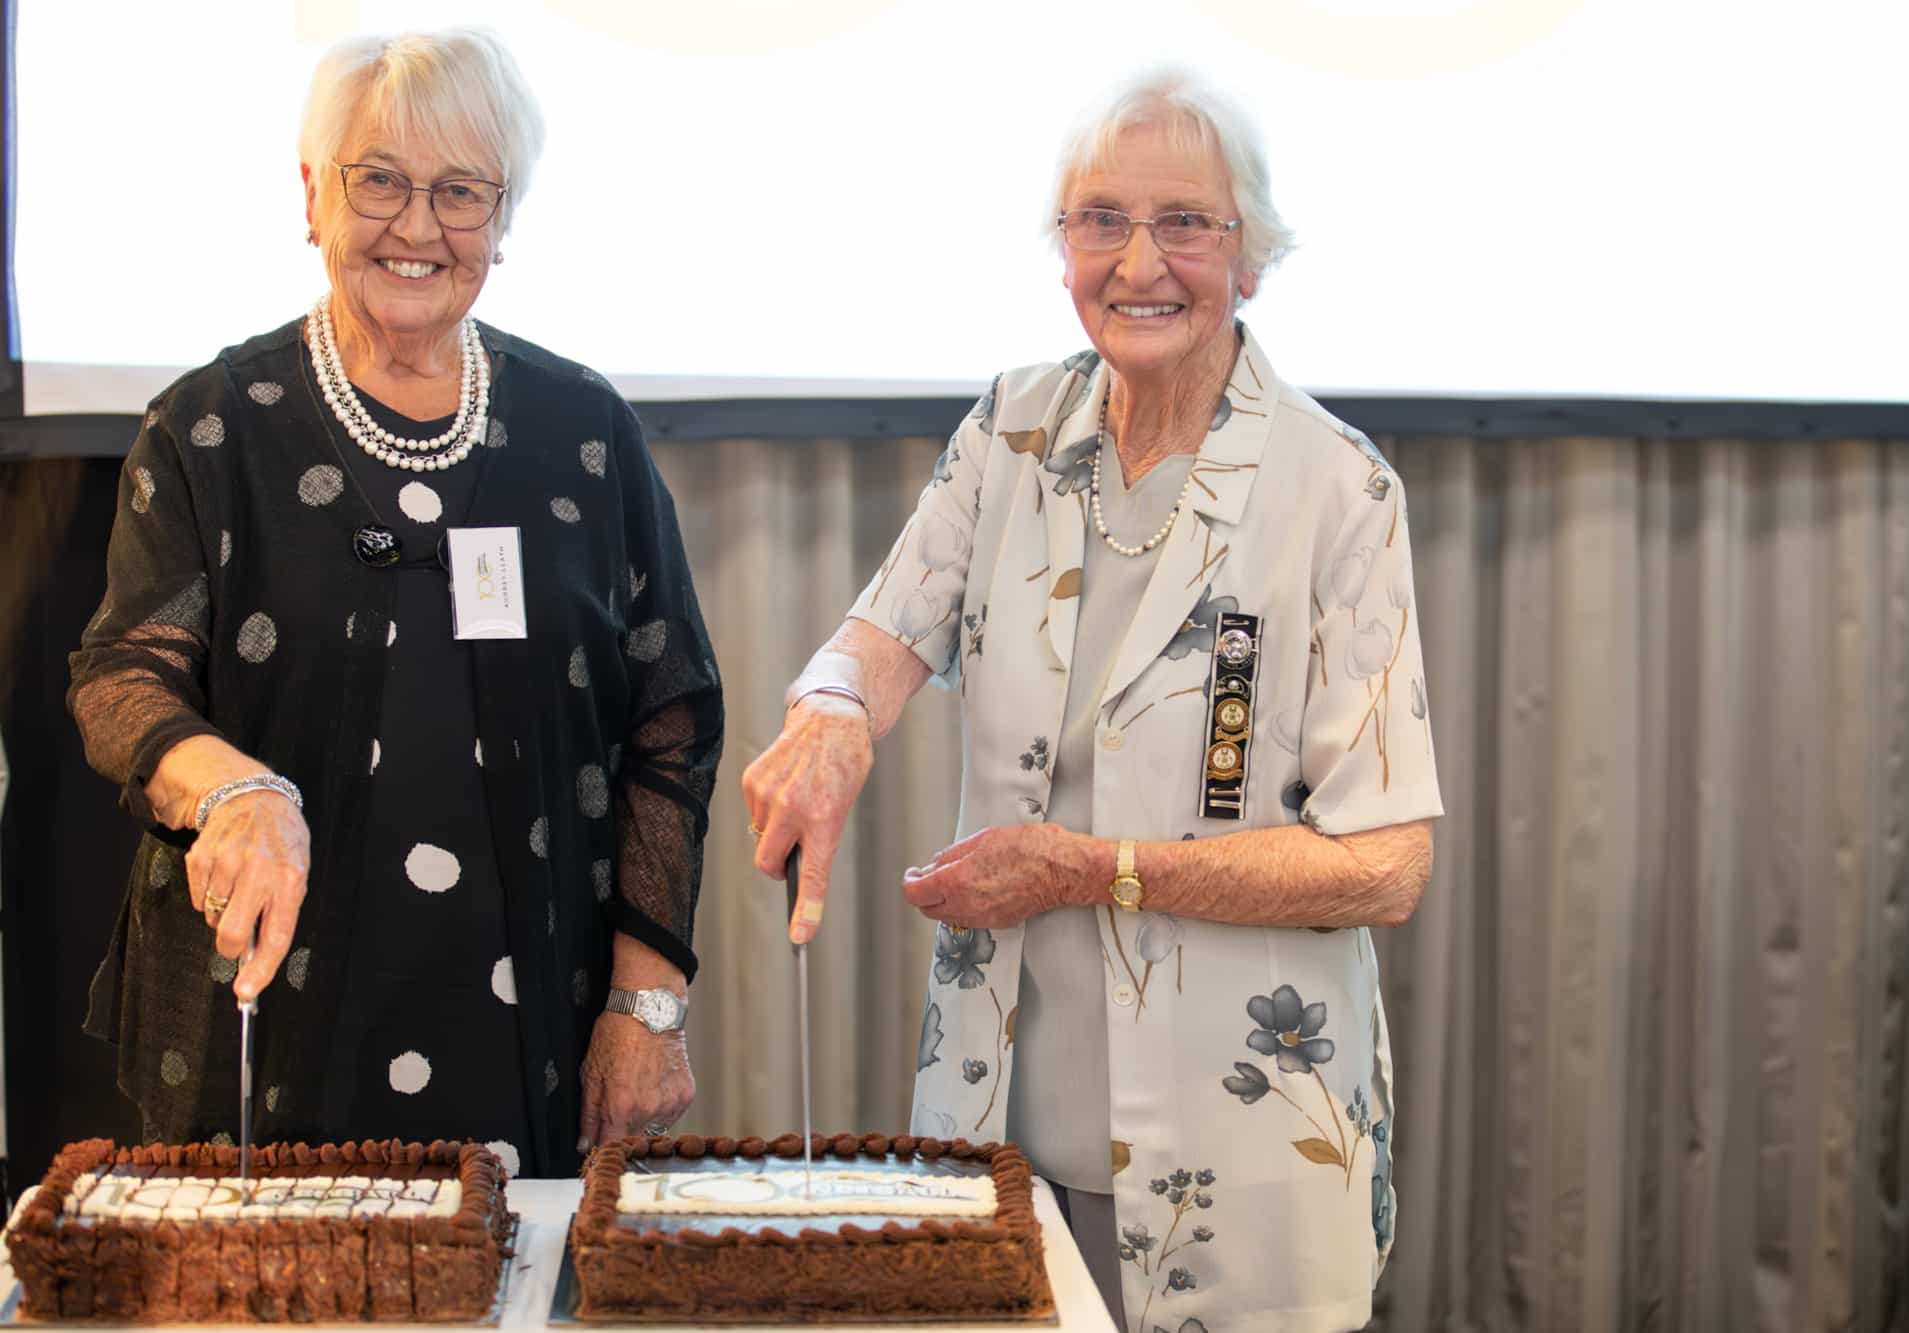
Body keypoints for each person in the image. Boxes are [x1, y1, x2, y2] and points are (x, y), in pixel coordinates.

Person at [742, 71, 1441, 1330]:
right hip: (1001, 1112)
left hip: (1241, 1142)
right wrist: (829, 714)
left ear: (1252, 258)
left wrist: (1089, 867)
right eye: (1099, 220)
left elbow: (1385, 863)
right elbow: (878, 635)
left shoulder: (1337, 488)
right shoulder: (1013, 427)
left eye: (1186, 222)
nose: (1139, 261)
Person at [68, 28, 721, 1179]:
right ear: (312, 194)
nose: (418, 227)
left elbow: (668, 719)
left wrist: (647, 998)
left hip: (535, 1009)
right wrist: (236, 789)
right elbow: (124, 672)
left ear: (501, 221)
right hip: (262, 1014)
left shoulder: (584, 432)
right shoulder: (213, 425)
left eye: (459, 192)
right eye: (378, 180)